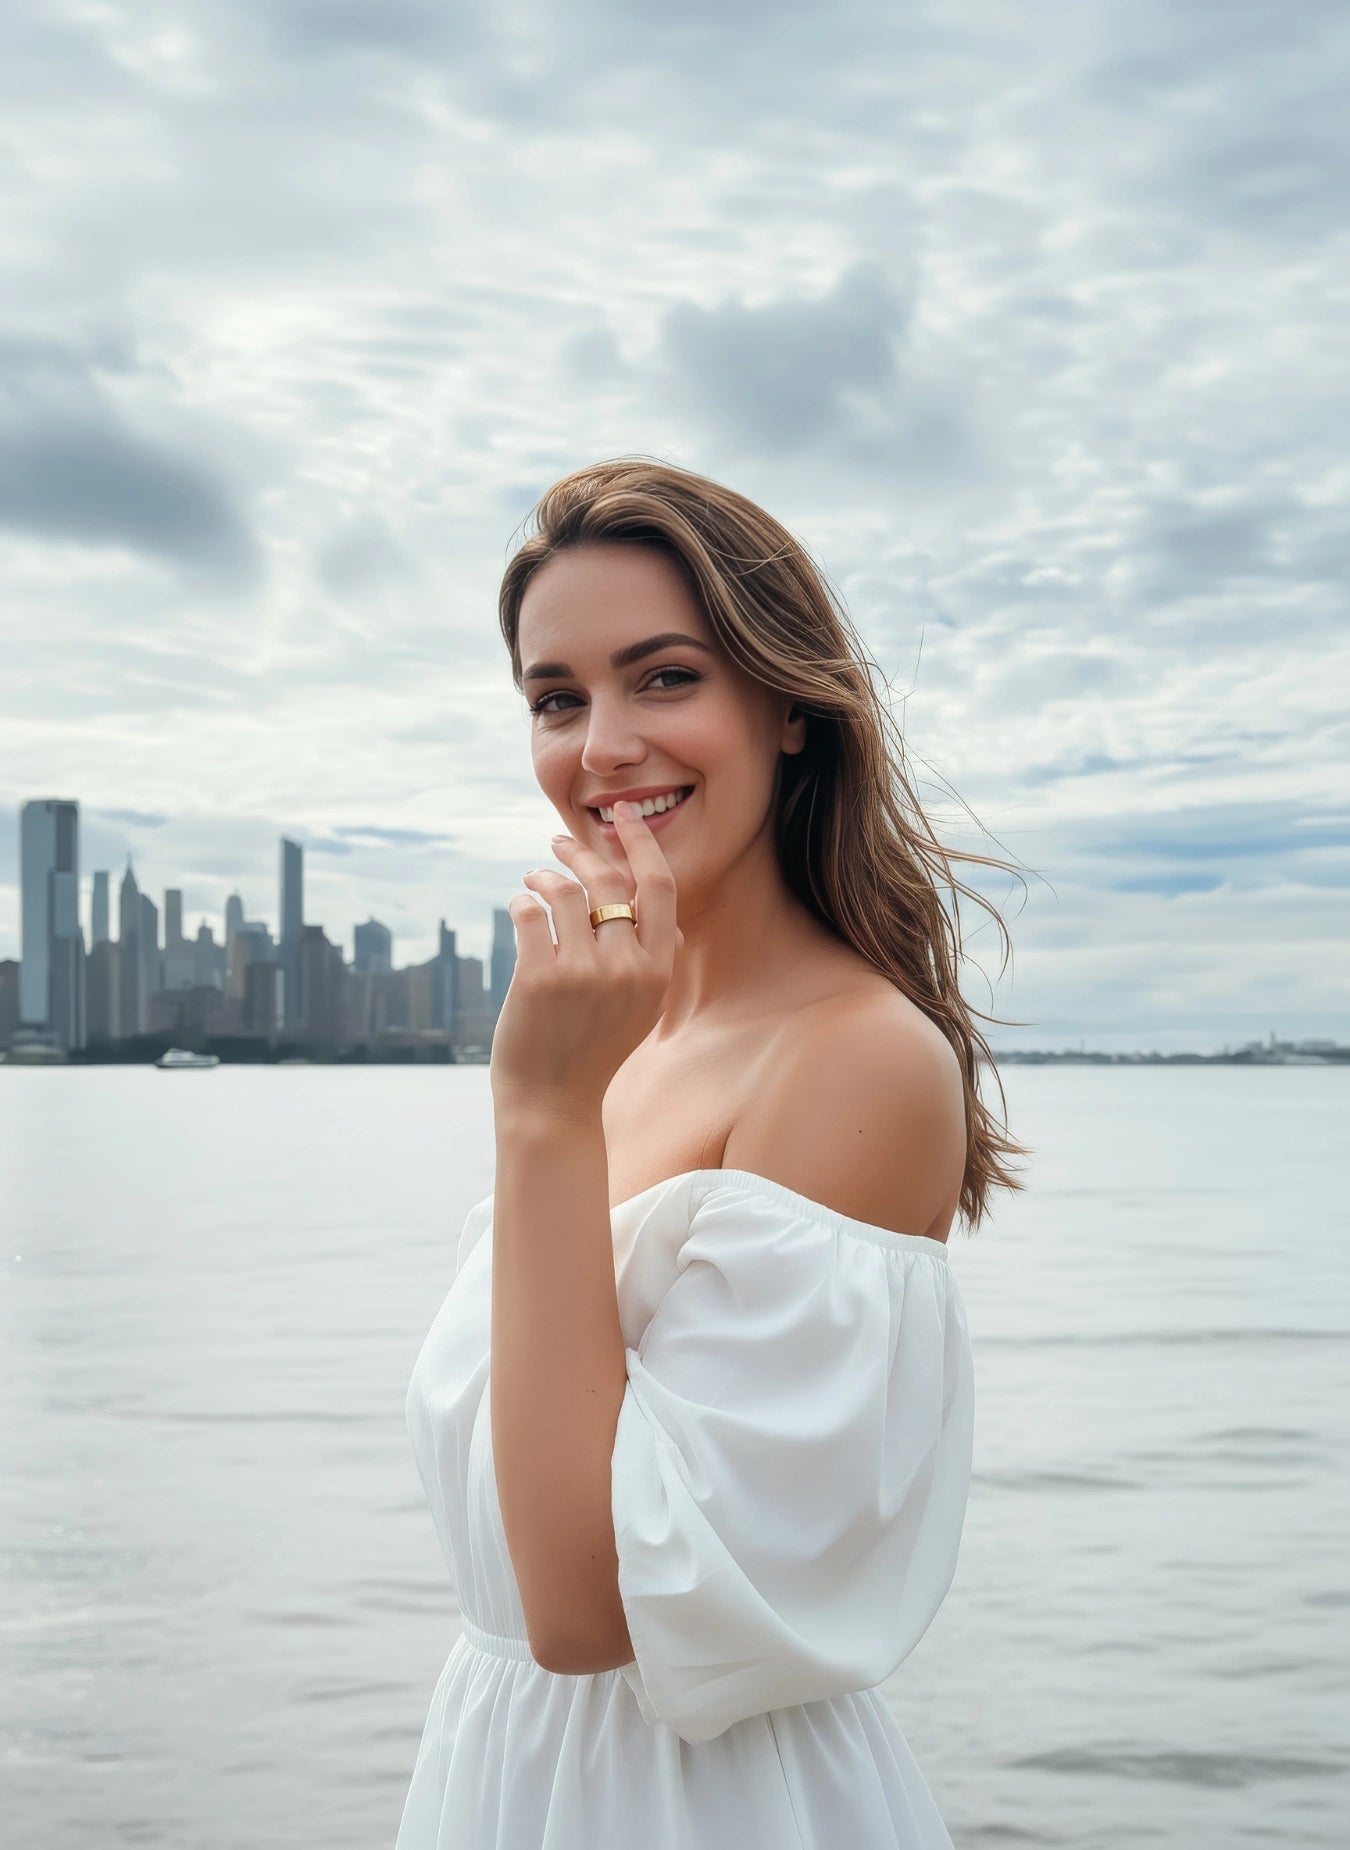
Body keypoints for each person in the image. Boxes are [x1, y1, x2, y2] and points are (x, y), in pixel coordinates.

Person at [395, 457, 1029, 1848]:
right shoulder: (623, 1038)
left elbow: (585, 1609)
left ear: (789, 705)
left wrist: (541, 1114)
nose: (600, 744)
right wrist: (559, 1094)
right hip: (508, 1770)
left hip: (697, 1805)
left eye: (663, 677)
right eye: (556, 698)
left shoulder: (853, 1057)